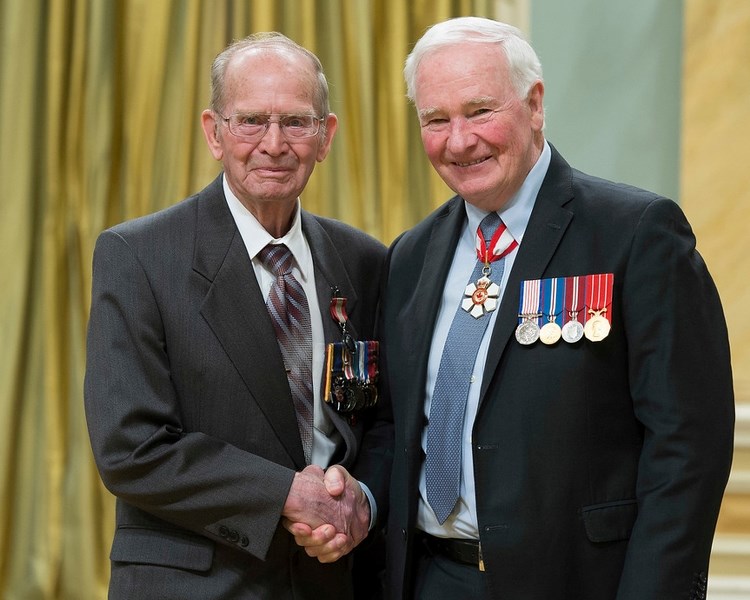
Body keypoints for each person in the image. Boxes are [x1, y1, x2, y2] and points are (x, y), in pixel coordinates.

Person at [380, 16, 735, 600]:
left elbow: (688, 446)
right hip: (432, 579)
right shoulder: (410, 257)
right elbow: (395, 430)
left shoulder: (635, 233)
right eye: (436, 120)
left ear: (534, 103)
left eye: (480, 111)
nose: (460, 139)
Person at [84, 32, 392, 600]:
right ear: (214, 132)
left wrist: (360, 502)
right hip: (196, 581)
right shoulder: (139, 257)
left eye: (297, 123)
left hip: (334, 578)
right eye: (251, 120)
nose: (274, 144)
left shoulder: (365, 262)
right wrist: (284, 494)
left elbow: (379, 424)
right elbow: (131, 447)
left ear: (326, 137)